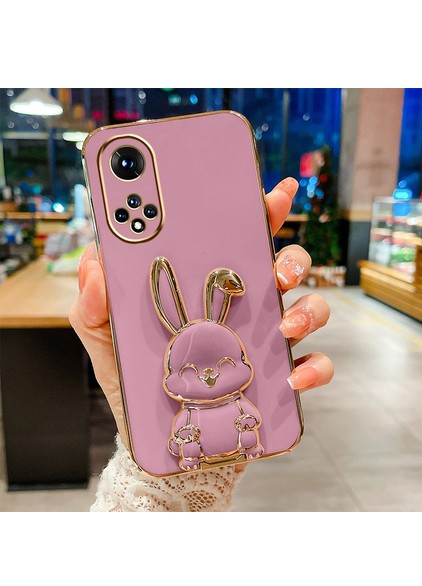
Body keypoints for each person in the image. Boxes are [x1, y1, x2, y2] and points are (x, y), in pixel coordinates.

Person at [69, 177, 333, 511]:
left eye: (225, 365)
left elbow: (247, 415)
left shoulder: (223, 397)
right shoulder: (190, 410)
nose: (208, 375)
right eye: (190, 371)